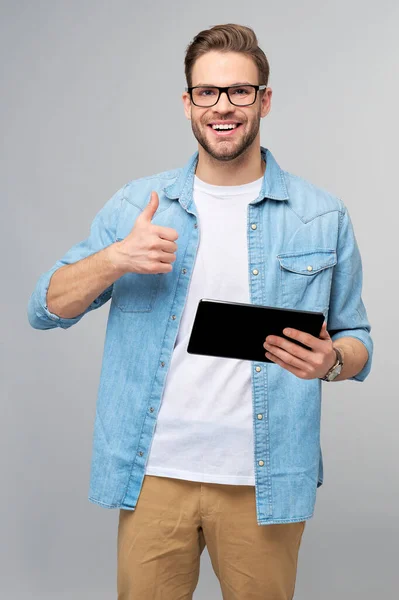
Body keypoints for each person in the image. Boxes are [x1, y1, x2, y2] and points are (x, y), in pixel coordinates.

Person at [28, 23, 373, 600]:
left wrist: (332, 360)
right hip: (156, 473)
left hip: (264, 480)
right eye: (208, 92)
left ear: (264, 100)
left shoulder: (322, 215)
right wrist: (115, 259)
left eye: (240, 92)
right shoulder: (141, 205)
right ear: (187, 102)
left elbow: (357, 338)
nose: (223, 107)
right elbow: (46, 306)